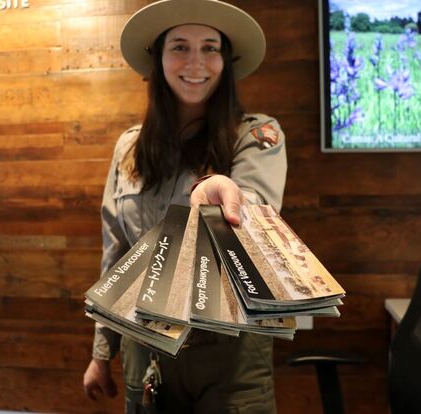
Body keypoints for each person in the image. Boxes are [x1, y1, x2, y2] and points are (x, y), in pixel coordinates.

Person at [82, 0, 287, 412]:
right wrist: (102, 351)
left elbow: (255, 208)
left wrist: (221, 193)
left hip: (229, 351)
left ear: (226, 60)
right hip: (145, 343)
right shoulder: (129, 148)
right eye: (179, 46)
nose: (196, 61)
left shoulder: (256, 135)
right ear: (157, 58)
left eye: (210, 47)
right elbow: (117, 255)